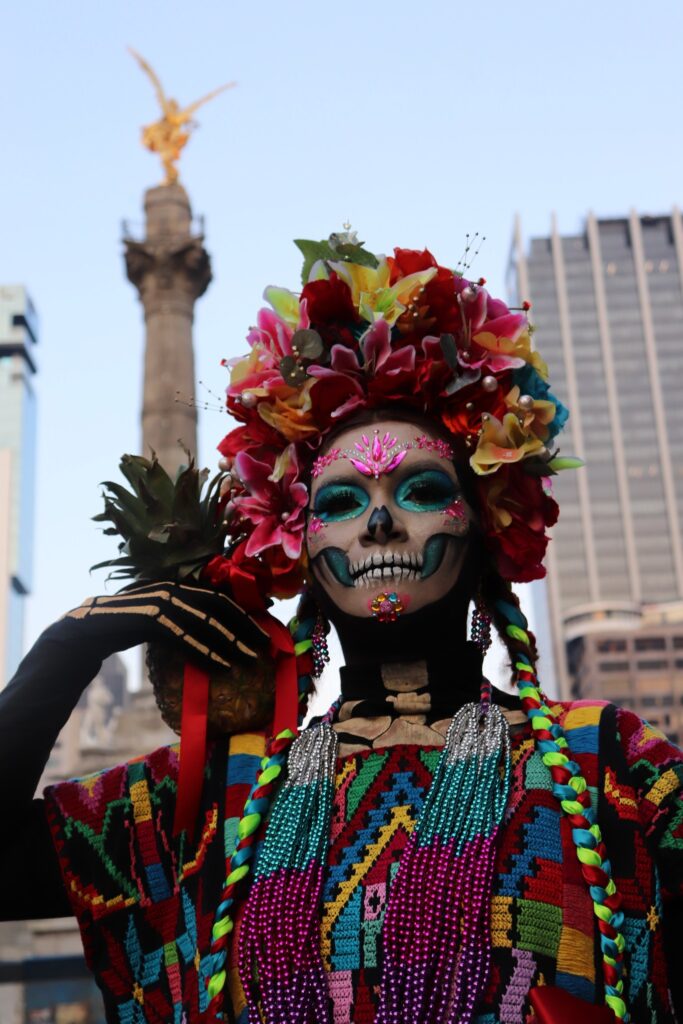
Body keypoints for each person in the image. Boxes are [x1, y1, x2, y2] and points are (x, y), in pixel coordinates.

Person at [1, 234, 681, 1024]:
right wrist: (70, 645)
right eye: (340, 502)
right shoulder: (213, 798)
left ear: (488, 521)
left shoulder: (608, 767)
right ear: (294, 539)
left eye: (420, 488)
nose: (381, 521)